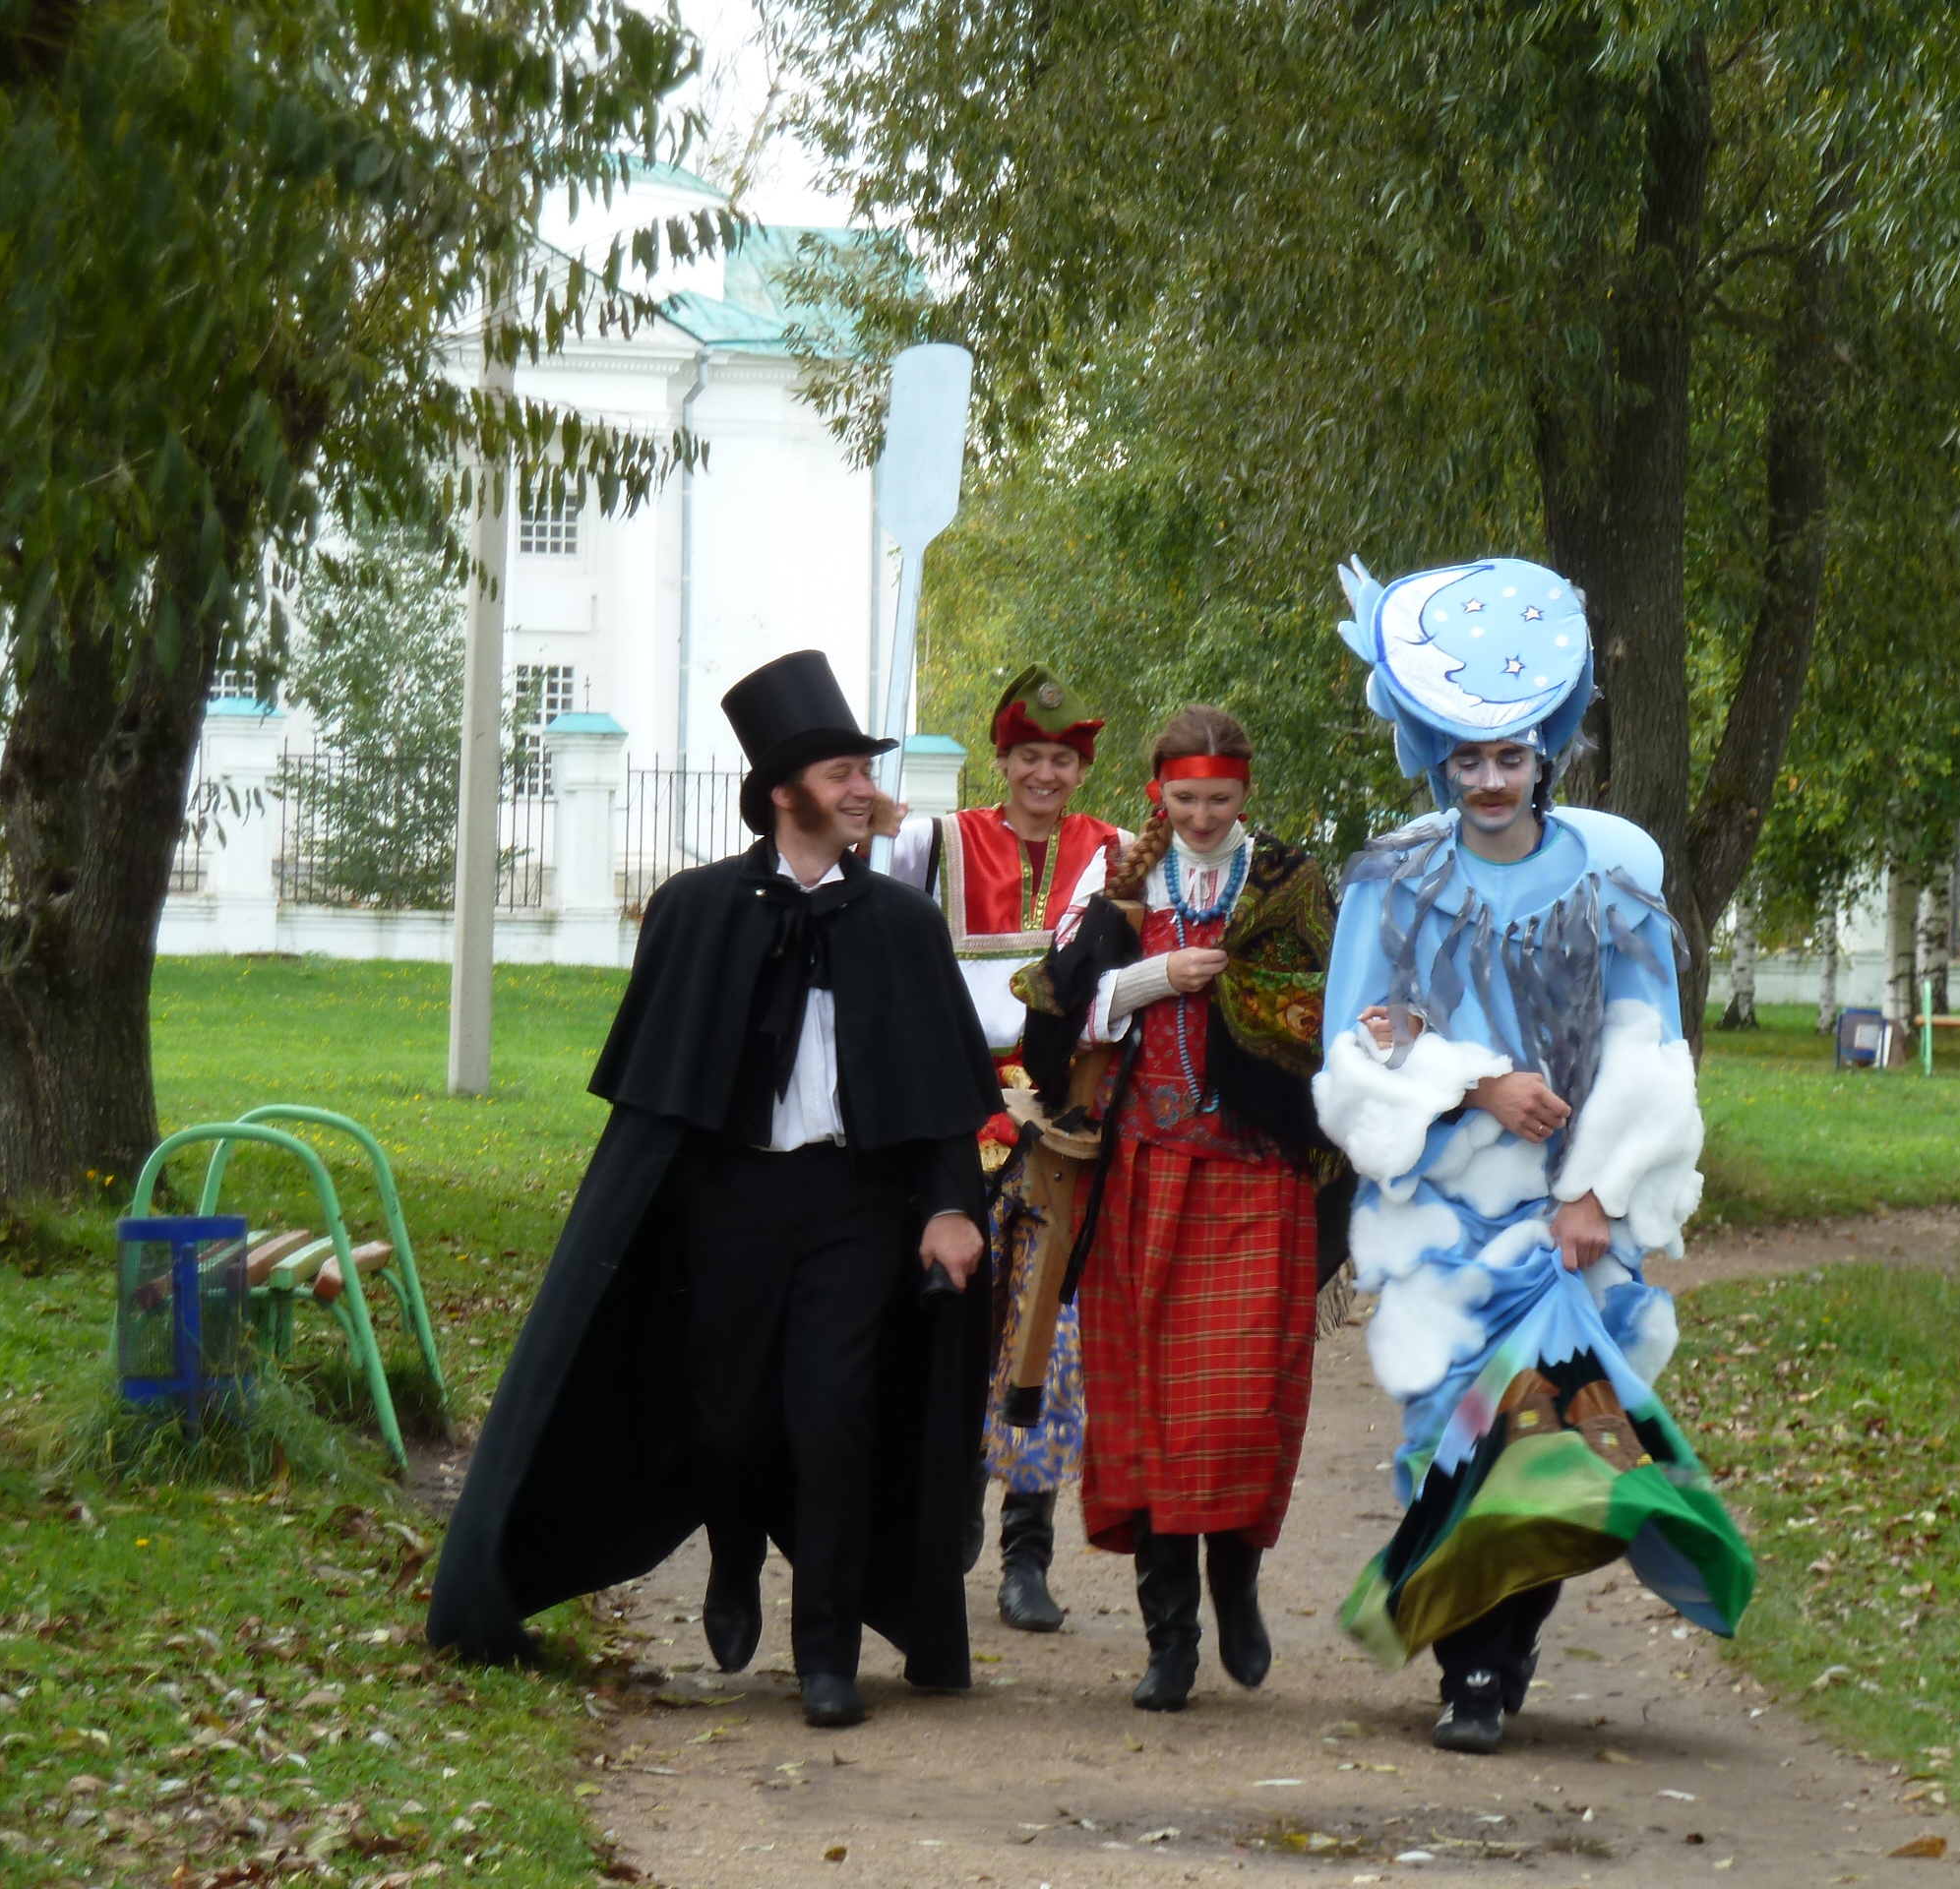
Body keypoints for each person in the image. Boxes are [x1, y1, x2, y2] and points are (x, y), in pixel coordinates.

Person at [427, 649, 1004, 1732]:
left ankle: (826, 1657)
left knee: (833, 1421)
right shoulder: (695, 910)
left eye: (863, 772)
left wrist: (947, 1207)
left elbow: (937, 1092)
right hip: (730, 1204)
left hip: (854, 1205)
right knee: (730, 1423)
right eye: (840, 774)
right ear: (785, 792)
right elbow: (658, 1098)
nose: (862, 790)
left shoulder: (902, 924)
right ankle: (733, 1549)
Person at [1311, 558, 1755, 1754]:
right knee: (1449, 1444)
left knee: (1553, 1442)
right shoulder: (1392, 886)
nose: (1490, 781)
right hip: (1441, 1226)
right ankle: (1475, 1657)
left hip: (1568, 1224)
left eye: (1508, 756)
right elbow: (1356, 1046)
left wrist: (1597, 1191)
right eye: (1467, 759)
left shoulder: (1610, 886)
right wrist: (1473, 1081)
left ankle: (1486, 1667)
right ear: (1434, 758)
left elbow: (1651, 1049)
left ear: (1545, 751)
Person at [1012, 705, 1350, 1711]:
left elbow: (1327, 1010)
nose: (1202, 817)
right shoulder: (1120, 882)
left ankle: (1234, 1582)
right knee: (1145, 1409)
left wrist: (1245, 995)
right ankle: (1170, 1636)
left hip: (1255, 1174)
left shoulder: (1289, 882)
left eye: (1221, 799)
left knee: (1240, 1403)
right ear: (1158, 791)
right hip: (1143, 1176)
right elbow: (1054, 1011)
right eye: (1185, 798)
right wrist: (1149, 980)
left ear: (1247, 793)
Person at [881, 665, 1121, 1632]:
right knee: (955, 1320)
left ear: (1080, 768)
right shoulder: (936, 843)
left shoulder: (1113, 851)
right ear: (1003, 758)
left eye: (1061, 759)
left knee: (1047, 1330)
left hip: (1063, 1121)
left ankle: (1028, 1550)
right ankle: (951, 1526)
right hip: (959, 1112)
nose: (1044, 774)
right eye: (1029, 756)